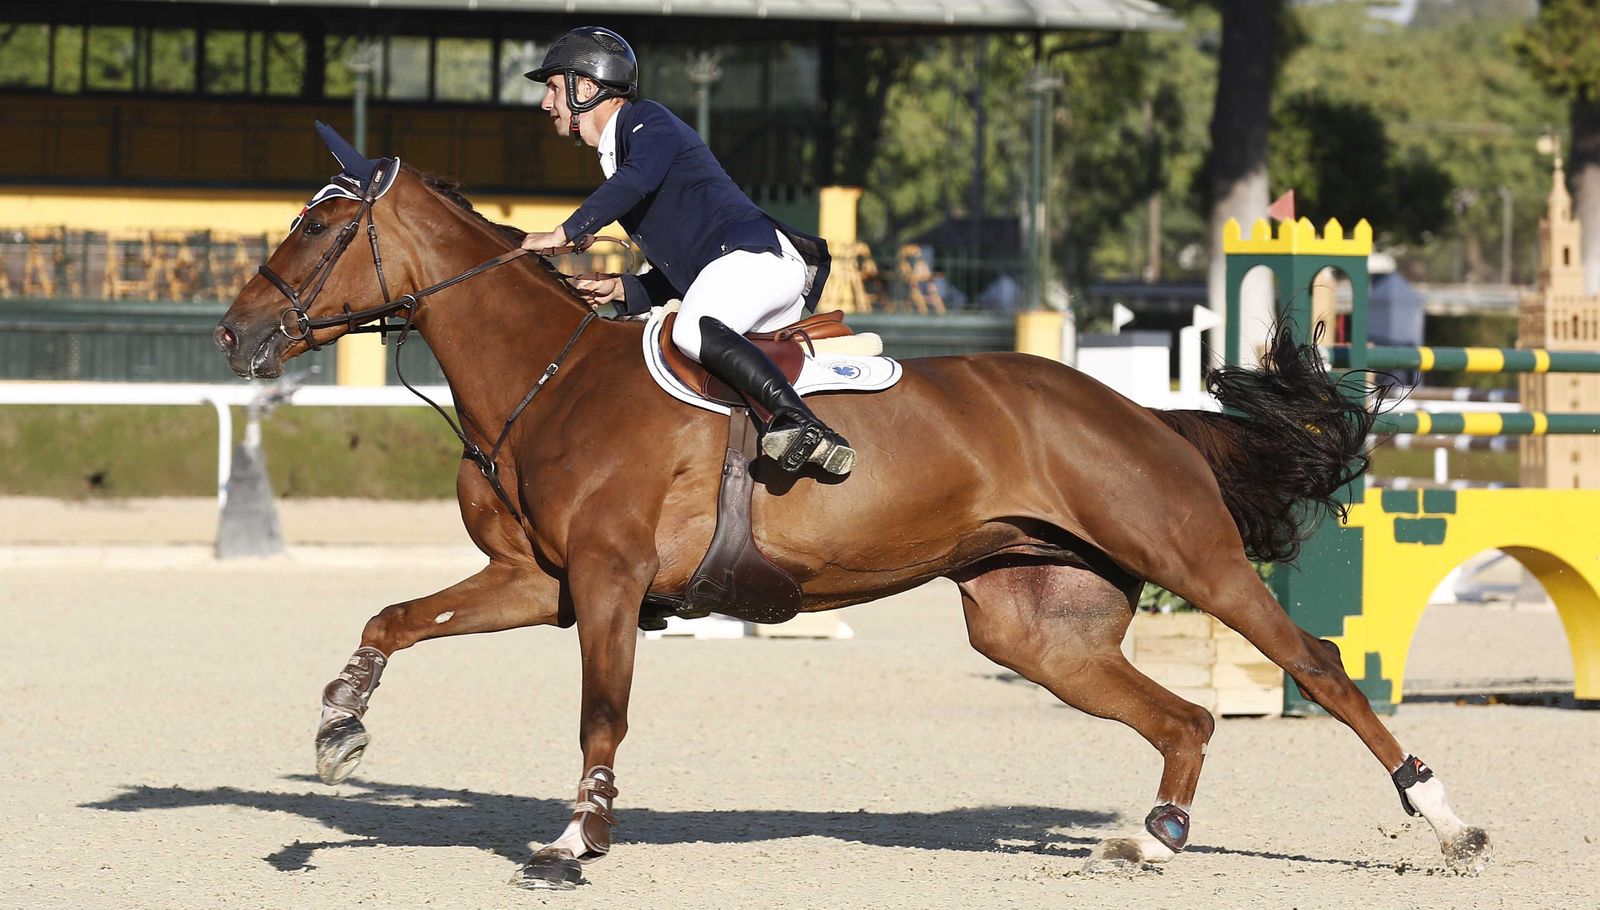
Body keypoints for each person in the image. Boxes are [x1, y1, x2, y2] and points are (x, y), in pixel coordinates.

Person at [519, 27, 855, 477]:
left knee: (692, 328)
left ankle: (800, 423)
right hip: (739, 269)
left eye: (555, 88)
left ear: (587, 87)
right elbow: (685, 270)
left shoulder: (647, 121)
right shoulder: (622, 153)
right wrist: (625, 289)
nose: (546, 103)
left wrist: (566, 231)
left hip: (759, 261)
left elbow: (636, 182)